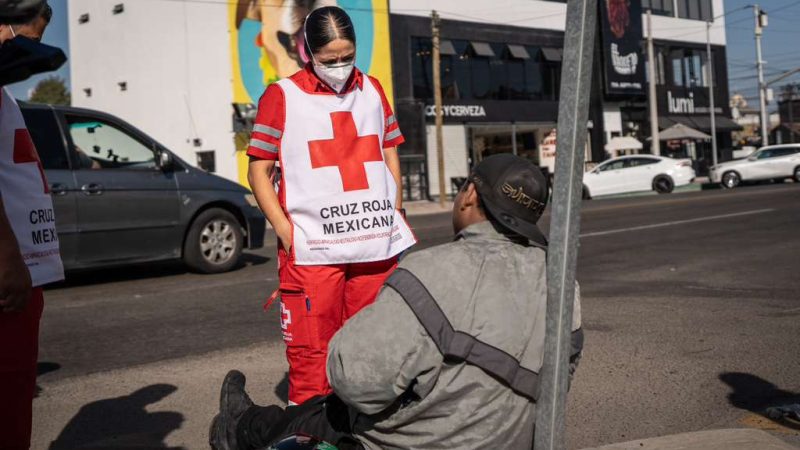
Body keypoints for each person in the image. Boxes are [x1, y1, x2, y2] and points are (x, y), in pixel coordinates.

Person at [210, 154, 583, 450]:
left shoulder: (432, 269)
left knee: (324, 415)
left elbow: (355, 381)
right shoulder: (566, 286)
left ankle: (238, 427)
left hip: (414, 441)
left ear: (469, 194)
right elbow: (559, 379)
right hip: (512, 439)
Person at [246, 6, 416, 407]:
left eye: (347, 56)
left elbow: (389, 154)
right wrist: (287, 233)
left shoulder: (373, 89)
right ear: (308, 53)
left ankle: (369, 427)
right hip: (313, 253)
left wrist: (395, 212)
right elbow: (258, 173)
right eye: (329, 60)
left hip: (374, 248)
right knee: (312, 351)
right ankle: (308, 432)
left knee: (372, 346)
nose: (340, 66)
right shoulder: (281, 96)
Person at [0, 4, 64, 449]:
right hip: (9, 277)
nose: (29, 53)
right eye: (28, 39)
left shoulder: (4, 94)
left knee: (17, 402)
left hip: (23, 274)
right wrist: (7, 257)